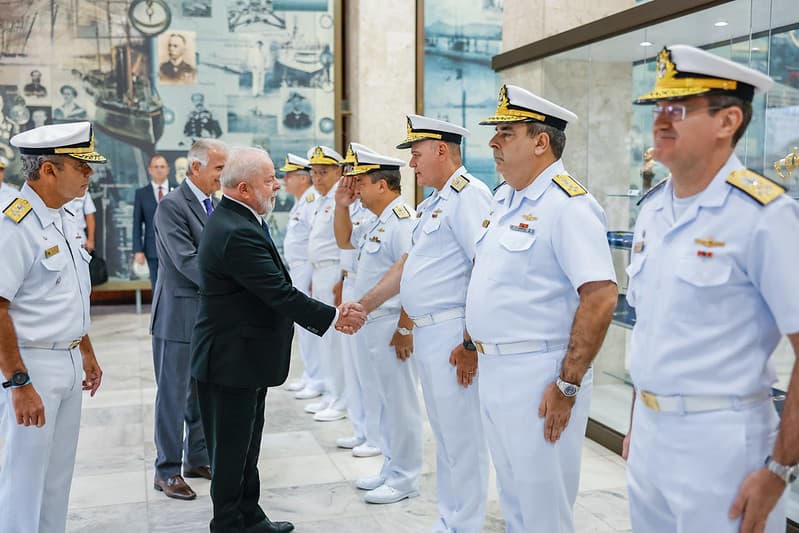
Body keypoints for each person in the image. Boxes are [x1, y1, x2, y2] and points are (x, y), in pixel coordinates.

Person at [623, 44, 799, 533]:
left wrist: (779, 470)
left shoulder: (764, 216)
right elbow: (651, 329)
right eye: (658, 107)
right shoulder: (654, 210)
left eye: (678, 109)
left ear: (728, 122)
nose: (660, 121)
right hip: (651, 437)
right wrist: (639, 423)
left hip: (722, 443)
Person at [190, 146, 366, 533]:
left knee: (246, 448)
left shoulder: (241, 218)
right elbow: (278, 292)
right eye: (268, 180)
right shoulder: (235, 231)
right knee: (232, 452)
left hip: (243, 357)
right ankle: (229, 524)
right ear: (242, 188)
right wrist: (334, 316)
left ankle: (250, 516)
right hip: (230, 360)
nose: (277, 187)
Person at [465, 85, 617, 533]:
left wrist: (567, 386)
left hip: (539, 374)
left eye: (505, 133)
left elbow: (600, 295)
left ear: (540, 141)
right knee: (514, 497)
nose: (493, 142)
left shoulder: (567, 206)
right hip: (497, 370)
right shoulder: (504, 201)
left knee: (543, 503)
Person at [347, 115, 493, 530]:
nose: (412, 164)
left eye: (416, 153)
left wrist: (470, 342)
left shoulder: (469, 196)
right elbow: (408, 265)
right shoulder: (434, 203)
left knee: (461, 436)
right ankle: (451, 516)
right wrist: (365, 303)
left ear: (441, 150)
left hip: (451, 331)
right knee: (446, 434)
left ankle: (465, 522)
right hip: (430, 329)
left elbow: (483, 267)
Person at [0, 121, 104, 532]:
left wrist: (87, 349)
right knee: (23, 480)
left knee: (56, 479)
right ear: (48, 170)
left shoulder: (63, 218)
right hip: (33, 366)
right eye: (81, 166)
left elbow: (69, 291)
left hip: (67, 361)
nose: (89, 174)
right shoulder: (14, 226)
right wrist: (19, 382)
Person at [335, 145, 424, 504]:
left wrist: (405, 327)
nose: (356, 189)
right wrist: (341, 204)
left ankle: (405, 477)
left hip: (391, 325)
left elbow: (412, 274)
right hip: (373, 324)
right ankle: (391, 466)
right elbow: (343, 239)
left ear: (382, 185)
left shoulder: (402, 219)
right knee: (384, 402)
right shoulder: (376, 220)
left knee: (400, 404)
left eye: (362, 183)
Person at [150, 139, 227, 500]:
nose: (223, 176)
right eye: (218, 168)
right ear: (195, 168)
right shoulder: (172, 207)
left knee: (200, 391)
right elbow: (187, 261)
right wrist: (235, 282)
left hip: (205, 316)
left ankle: (197, 457)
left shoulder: (214, 204)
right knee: (173, 394)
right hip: (177, 316)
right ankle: (166, 469)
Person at [331, 143, 381, 458]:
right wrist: (342, 205)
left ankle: (375, 436)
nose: (350, 179)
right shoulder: (359, 209)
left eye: (356, 174)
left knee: (374, 377)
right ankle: (363, 429)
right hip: (356, 292)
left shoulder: (391, 213)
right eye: (348, 172)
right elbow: (344, 239)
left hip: (377, 303)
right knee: (356, 369)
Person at [296, 146, 347, 422]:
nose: (317, 178)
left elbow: (344, 243)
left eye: (323, 172)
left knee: (335, 342)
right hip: (320, 275)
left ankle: (340, 400)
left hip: (334, 274)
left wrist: (341, 279)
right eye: (314, 173)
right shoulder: (320, 200)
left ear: (338, 171)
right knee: (325, 340)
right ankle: (331, 393)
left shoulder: (341, 200)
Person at [278, 153, 322, 394]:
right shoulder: (302, 201)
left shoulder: (312, 200)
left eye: (289, 175)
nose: (284, 180)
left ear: (303, 178)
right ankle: (310, 373)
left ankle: (318, 379)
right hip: (299, 269)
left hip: (308, 269)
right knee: (303, 328)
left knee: (310, 327)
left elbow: (317, 240)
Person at [134, 154, 171, 288]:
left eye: (162, 166)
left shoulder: (178, 190)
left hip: (175, 247)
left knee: (175, 286)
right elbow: (137, 224)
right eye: (156, 167)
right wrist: (138, 250)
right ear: (149, 170)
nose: (159, 170)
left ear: (168, 169)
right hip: (152, 248)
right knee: (157, 286)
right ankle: (158, 310)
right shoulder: (141, 193)